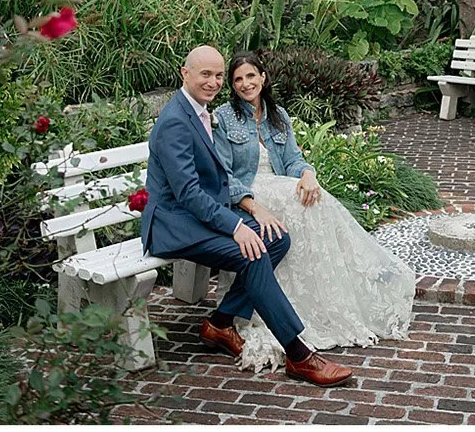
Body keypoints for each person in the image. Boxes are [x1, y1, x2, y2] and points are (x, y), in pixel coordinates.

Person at [139, 46, 354, 386]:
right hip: (173, 224)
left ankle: (221, 322)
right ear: (185, 74)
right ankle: (298, 355)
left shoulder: (199, 111)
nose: (213, 82)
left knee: (276, 239)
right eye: (205, 74)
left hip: (198, 216)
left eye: (218, 75)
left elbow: (216, 180)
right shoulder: (175, 121)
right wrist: (238, 224)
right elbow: (189, 194)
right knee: (252, 253)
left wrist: (245, 213)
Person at [212, 51, 415, 371]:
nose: (245, 84)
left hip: (281, 185)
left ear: (263, 78)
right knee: (298, 212)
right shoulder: (224, 117)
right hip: (249, 193)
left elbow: (293, 159)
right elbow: (224, 175)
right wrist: (254, 206)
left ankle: (330, 296)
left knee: (315, 199)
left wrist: (308, 174)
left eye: (251, 76)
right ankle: (280, 313)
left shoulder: (278, 115)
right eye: (238, 79)